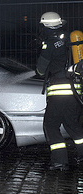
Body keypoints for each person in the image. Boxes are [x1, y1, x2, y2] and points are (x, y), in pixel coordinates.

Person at [36, 11, 83, 171]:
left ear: (46, 27)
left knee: (50, 125)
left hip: (59, 91)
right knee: (73, 125)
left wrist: (41, 70)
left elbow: (41, 70)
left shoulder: (50, 43)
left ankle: (59, 161)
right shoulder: (69, 40)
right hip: (75, 90)